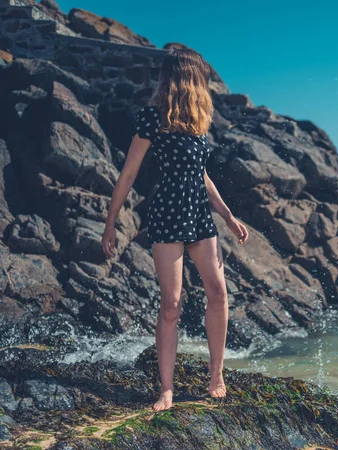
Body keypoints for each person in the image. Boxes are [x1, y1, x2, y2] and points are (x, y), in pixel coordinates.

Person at [101, 48, 249, 411]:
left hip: (199, 215)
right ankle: (166, 389)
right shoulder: (153, 118)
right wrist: (110, 222)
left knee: (218, 293)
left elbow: (201, 175)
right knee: (171, 304)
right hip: (167, 214)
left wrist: (228, 217)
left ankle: (216, 375)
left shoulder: (198, 121)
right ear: (190, 77)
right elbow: (129, 172)